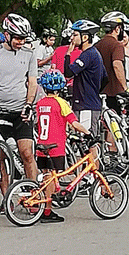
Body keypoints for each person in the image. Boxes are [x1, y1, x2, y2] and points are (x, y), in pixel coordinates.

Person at [0, 12, 39, 182]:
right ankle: (6, 202)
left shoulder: (29, 54)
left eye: (24, 38)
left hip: (21, 112)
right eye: (18, 38)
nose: (21, 42)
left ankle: (34, 194)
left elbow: (32, 83)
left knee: (27, 154)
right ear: (7, 35)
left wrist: (28, 103)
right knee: (1, 157)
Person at [35, 68, 90, 223]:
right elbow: (74, 123)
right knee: (52, 178)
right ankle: (47, 211)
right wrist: (87, 132)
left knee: (47, 175)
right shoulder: (61, 103)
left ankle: (43, 201)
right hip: (55, 146)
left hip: (41, 144)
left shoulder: (40, 103)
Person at [64, 19, 105, 134]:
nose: (71, 38)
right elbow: (104, 78)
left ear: (85, 37)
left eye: (75, 34)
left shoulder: (88, 55)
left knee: (87, 141)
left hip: (86, 105)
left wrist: (68, 54)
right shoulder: (94, 53)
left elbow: (68, 73)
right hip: (88, 103)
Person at [96, 11, 129, 113]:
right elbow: (117, 65)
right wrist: (125, 88)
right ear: (117, 29)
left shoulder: (97, 45)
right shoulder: (117, 45)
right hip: (114, 92)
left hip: (99, 91)